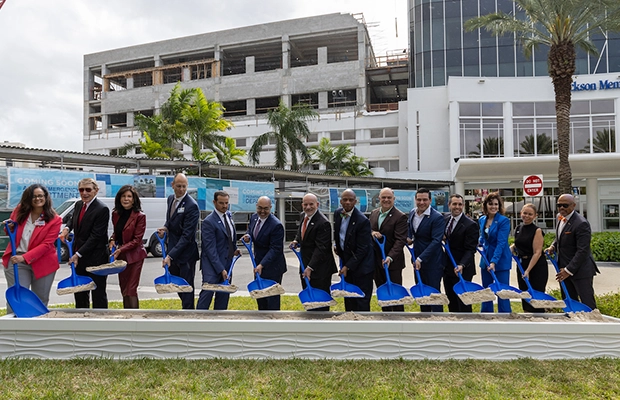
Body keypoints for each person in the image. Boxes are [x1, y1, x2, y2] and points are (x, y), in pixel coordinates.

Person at [2, 184, 62, 313]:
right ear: (28, 198)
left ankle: (37, 329)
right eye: (33, 196)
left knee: (40, 299)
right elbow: (11, 232)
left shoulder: (55, 219)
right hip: (17, 260)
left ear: (46, 197)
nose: (37, 199)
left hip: (43, 262)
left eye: (40, 196)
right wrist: (9, 227)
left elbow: (47, 245)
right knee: (17, 296)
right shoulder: (20, 211)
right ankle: (13, 328)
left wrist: (24, 257)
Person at [59, 178, 110, 309]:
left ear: (96, 191)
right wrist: (66, 229)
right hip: (79, 258)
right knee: (80, 293)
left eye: (88, 190)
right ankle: (82, 320)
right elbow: (72, 219)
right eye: (81, 190)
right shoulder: (78, 205)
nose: (84, 193)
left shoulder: (102, 209)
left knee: (98, 294)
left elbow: (96, 237)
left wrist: (77, 254)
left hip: (96, 259)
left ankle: (100, 322)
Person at [545, 194, 599, 310]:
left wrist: (568, 270)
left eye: (565, 205)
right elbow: (561, 236)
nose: (561, 208)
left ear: (574, 205)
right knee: (569, 301)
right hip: (563, 268)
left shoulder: (581, 223)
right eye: (559, 205)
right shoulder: (560, 217)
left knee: (587, 303)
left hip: (580, 271)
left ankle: (592, 325)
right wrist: (553, 246)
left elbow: (582, 250)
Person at [157, 173, 199, 310]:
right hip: (173, 250)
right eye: (178, 186)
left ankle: (188, 314)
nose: (181, 189)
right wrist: (165, 227)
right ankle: (186, 309)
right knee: (177, 285)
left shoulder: (192, 206)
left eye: (184, 186)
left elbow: (187, 236)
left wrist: (170, 255)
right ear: (172, 185)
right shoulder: (170, 199)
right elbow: (170, 220)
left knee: (186, 287)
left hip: (186, 254)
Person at [290, 193, 337, 311]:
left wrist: (310, 267)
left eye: (311, 204)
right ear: (302, 205)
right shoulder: (303, 216)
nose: (308, 207)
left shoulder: (323, 223)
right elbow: (301, 231)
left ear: (317, 205)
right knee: (309, 302)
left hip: (320, 269)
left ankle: (322, 325)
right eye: (305, 204)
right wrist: (296, 240)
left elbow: (321, 248)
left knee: (320, 303)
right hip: (305, 264)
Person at [197, 191, 240, 310]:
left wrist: (234, 250)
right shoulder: (209, 222)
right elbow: (210, 249)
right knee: (207, 294)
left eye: (226, 203)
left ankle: (220, 321)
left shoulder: (229, 217)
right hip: (212, 266)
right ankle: (198, 321)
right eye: (221, 203)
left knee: (223, 296)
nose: (224, 206)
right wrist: (221, 269)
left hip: (227, 263)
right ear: (214, 202)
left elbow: (228, 239)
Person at [242, 196, 286, 310]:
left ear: (271, 208)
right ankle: (262, 321)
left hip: (273, 267)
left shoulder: (276, 225)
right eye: (260, 208)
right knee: (260, 297)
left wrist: (262, 264)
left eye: (266, 209)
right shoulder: (254, 218)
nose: (262, 211)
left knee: (271, 300)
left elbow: (275, 249)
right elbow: (251, 230)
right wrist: (248, 235)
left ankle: (273, 323)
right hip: (258, 265)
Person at [333, 189, 374, 312]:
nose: (348, 202)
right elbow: (339, 234)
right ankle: (349, 325)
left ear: (355, 202)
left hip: (362, 267)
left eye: (351, 200)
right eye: (345, 199)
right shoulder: (338, 213)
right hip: (347, 262)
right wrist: (338, 246)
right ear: (341, 201)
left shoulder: (362, 221)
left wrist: (347, 266)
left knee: (361, 300)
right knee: (349, 297)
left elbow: (363, 249)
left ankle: (362, 326)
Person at [369, 187, 408, 312]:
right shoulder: (374, 213)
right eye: (383, 197)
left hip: (393, 263)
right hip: (377, 261)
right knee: (383, 295)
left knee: (396, 297)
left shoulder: (400, 217)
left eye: (389, 198)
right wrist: (372, 232)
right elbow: (368, 231)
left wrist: (390, 257)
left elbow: (400, 240)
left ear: (394, 199)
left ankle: (398, 322)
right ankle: (386, 319)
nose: (386, 200)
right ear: (379, 199)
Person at [407, 188, 446, 312]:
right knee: (422, 293)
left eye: (424, 199)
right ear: (415, 200)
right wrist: (409, 239)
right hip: (417, 261)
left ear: (430, 200)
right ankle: (425, 319)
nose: (421, 202)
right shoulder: (412, 213)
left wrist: (420, 258)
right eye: (419, 199)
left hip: (433, 262)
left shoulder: (437, 217)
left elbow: (436, 241)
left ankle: (437, 320)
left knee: (433, 294)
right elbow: (412, 233)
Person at [109, 185, 148, 309]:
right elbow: (117, 232)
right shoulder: (115, 214)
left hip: (135, 256)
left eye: (129, 196)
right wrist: (112, 240)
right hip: (122, 256)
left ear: (134, 199)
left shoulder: (140, 216)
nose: (126, 199)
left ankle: (135, 318)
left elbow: (137, 240)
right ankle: (127, 315)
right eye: (123, 196)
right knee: (124, 289)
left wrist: (120, 249)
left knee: (131, 289)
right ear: (119, 198)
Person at [442, 194, 478, 313]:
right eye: (454, 204)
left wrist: (462, 264)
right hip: (448, 267)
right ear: (449, 205)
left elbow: (470, 249)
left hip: (463, 269)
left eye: (459, 204)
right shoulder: (445, 219)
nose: (457, 207)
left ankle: (467, 327)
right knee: (451, 300)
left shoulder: (470, 224)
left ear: (462, 206)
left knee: (463, 302)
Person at [478, 192, 512, 313]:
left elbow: (501, 243)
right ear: (486, 205)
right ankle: (486, 315)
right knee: (486, 291)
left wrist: (494, 262)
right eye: (490, 204)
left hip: (500, 260)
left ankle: (505, 316)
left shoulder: (504, 221)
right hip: (486, 258)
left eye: (496, 204)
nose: (493, 207)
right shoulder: (482, 219)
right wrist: (477, 243)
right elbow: (483, 238)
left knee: (502, 291)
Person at [511, 203, 548, 313]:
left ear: (535, 216)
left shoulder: (537, 231)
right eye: (525, 213)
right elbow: (520, 243)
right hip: (522, 264)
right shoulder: (518, 228)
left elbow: (537, 252)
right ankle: (528, 319)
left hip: (536, 267)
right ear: (520, 213)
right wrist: (513, 247)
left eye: (530, 214)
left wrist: (528, 270)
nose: (526, 216)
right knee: (524, 294)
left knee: (536, 296)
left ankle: (539, 320)